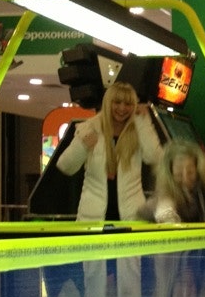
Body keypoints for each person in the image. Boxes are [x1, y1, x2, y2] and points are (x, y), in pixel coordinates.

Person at [57, 82, 162, 221]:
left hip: (131, 219)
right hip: (92, 219)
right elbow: (65, 166)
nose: (122, 108)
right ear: (107, 103)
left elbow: (154, 157)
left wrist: (143, 122)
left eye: (128, 104)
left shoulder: (138, 129)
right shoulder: (90, 128)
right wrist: (82, 146)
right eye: (117, 102)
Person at [141, 139, 205, 223]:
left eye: (190, 172)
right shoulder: (166, 183)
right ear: (170, 173)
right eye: (179, 175)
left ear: (197, 167)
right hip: (179, 217)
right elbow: (165, 207)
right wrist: (169, 220)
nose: (186, 179)